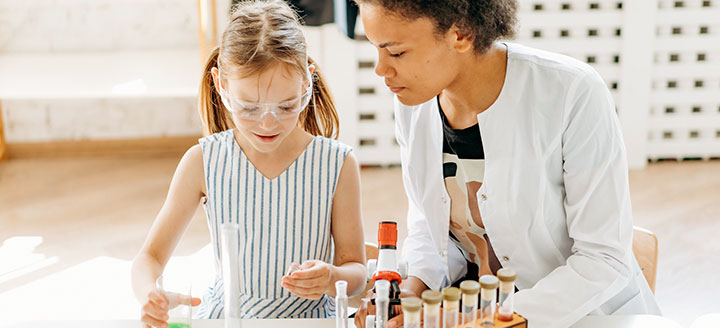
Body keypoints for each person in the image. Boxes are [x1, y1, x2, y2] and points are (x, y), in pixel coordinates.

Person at [352, 1, 660, 327]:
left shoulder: (572, 92)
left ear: (462, 34)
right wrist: (414, 290)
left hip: (577, 316)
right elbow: (432, 227)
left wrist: (477, 316)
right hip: (466, 312)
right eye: (376, 50)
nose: (381, 69)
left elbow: (604, 259)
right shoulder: (413, 100)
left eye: (396, 53)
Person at [131, 1, 366, 326]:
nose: (267, 124)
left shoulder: (337, 164)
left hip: (310, 321)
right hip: (228, 318)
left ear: (306, 84)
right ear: (221, 85)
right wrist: (149, 294)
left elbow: (356, 272)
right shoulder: (203, 161)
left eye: (286, 106)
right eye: (249, 108)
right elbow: (149, 258)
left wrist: (331, 278)